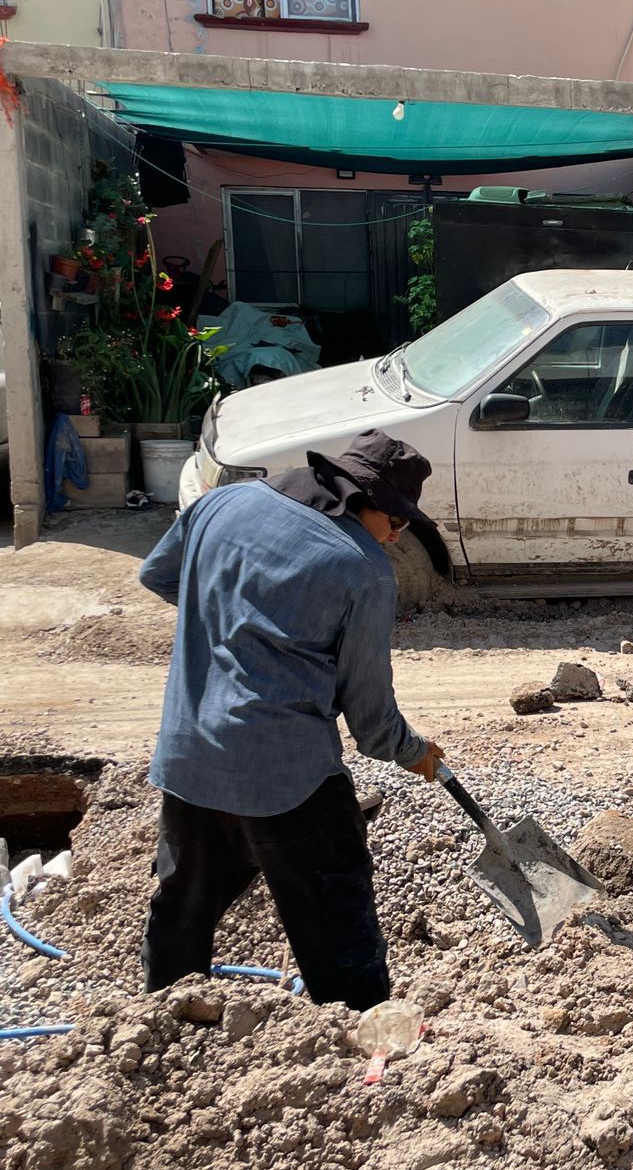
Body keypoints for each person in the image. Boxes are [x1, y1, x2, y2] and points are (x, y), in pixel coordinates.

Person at [138, 429, 445, 1009]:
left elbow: (158, 576)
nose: (396, 536)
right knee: (337, 921)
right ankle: (365, 1044)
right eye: (397, 523)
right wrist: (414, 751)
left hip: (190, 754)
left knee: (183, 905)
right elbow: (372, 719)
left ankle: (164, 1026)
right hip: (287, 777)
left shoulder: (222, 504)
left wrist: (238, 623)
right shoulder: (363, 569)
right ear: (368, 504)